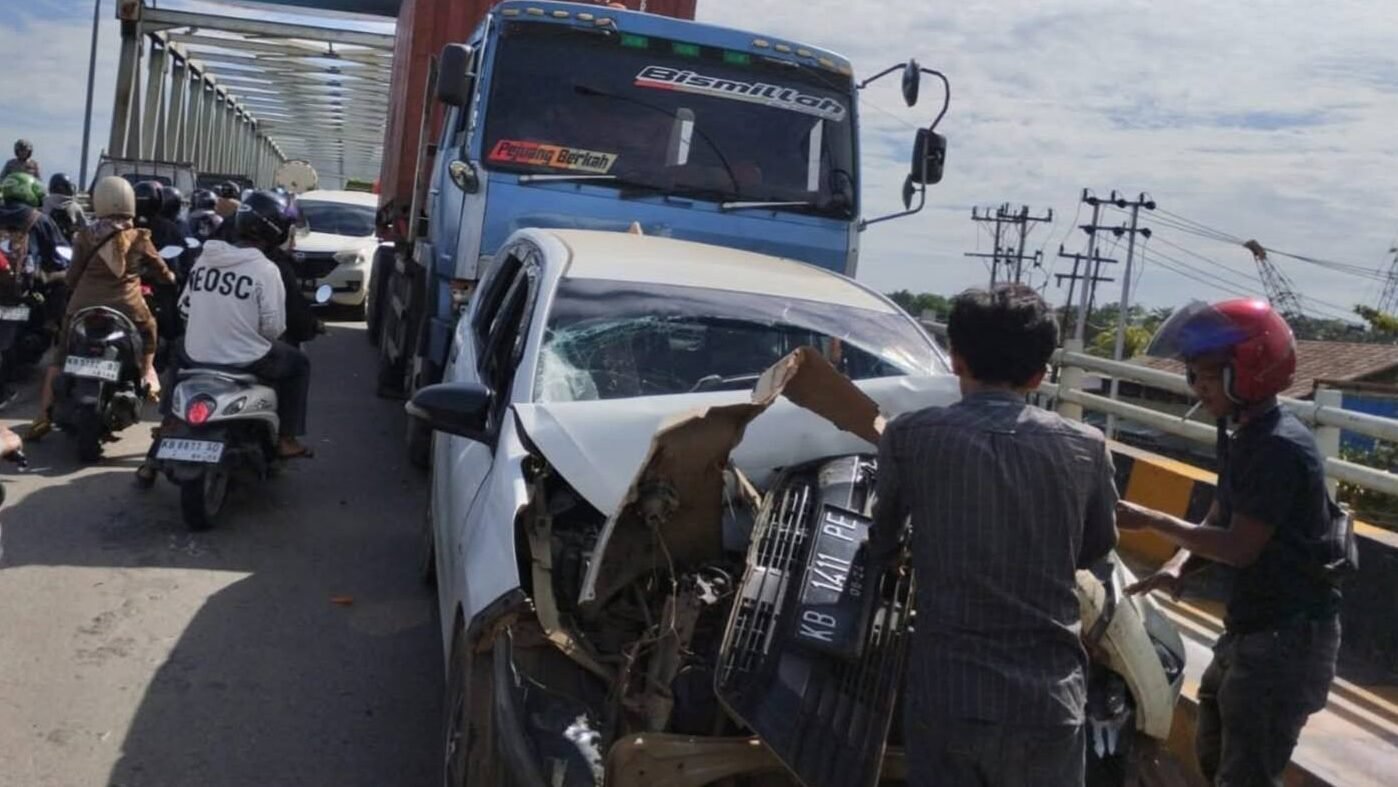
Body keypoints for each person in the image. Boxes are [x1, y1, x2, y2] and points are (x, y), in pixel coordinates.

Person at [869, 283, 1118, 787]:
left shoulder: (909, 437)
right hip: (1048, 701)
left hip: (947, 698)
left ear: (955, 358)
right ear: (1040, 373)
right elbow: (1094, 549)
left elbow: (882, 544)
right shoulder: (1087, 448)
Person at [1115, 299, 1342, 787]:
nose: (1197, 388)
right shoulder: (1245, 434)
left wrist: (1152, 519)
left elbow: (1240, 547)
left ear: (1249, 373)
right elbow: (1223, 510)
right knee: (1215, 752)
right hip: (1253, 630)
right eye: (1193, 375)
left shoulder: (1278, 447)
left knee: (1247, 773)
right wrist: (1180, 564)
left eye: (1209, 376)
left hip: (1286, 640)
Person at [29, 177, 175, 439]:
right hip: (127, 305)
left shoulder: (86, 235)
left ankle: (42, 416)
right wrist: (169, 278)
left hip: (83, 304)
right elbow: (160, 269)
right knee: (150, 329)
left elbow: (73, 275)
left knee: (60, 355)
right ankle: (147, 373)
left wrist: (73, 284)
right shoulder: (140, 236)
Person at [173, 190, 314, 460]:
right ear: (275, 230)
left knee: (177, 349)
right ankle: (286, 438)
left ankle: (168, 420)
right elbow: (273, 328)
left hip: (197, 354)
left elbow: (184, 308)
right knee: (298, 365)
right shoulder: (266, 269)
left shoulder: (205, 258)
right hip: (244, 358)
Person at [43, 173, 87, 242]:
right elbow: (85, 229)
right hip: (69, 245)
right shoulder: (75, 206)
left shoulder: (44, 203)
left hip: (47, 244)